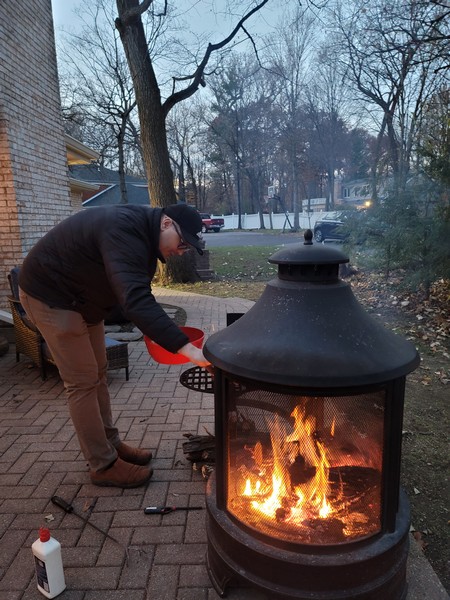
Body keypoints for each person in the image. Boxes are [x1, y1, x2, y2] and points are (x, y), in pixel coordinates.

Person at [18, 203, 211, 488]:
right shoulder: (124, 228)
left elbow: (129, 293)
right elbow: (135, 299)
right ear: (166, 223)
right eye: (183, 243)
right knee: (82, 382)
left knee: (99, 371)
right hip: (51, 296)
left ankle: (111, 444)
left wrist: (149, 325)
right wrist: (188, 349)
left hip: (83, 300)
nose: (182, 251)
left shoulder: (142, 235)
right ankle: (103, 464)